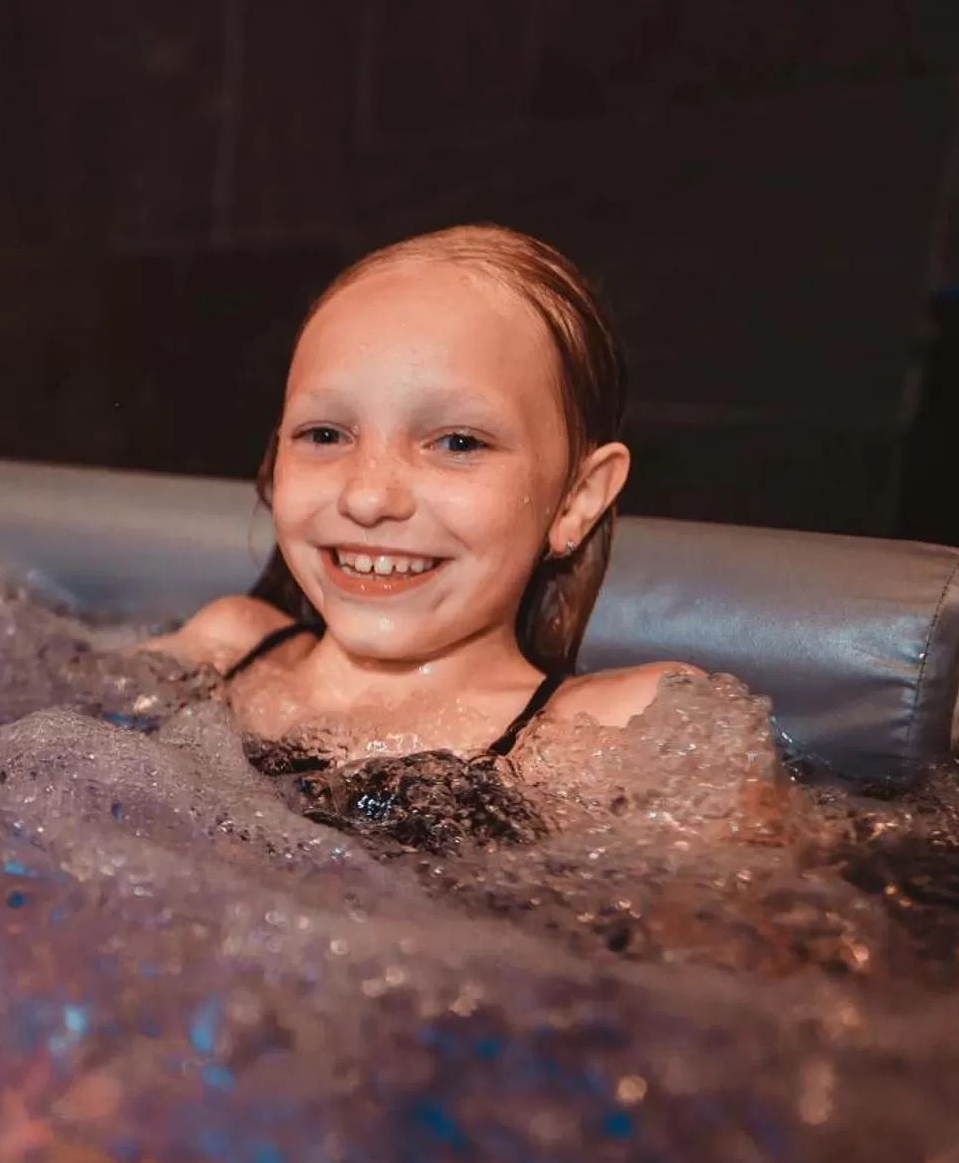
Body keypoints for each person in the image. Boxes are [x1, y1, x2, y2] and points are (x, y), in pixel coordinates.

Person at [149, 225, 699, 839]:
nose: (367, 496)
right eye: (325, 434)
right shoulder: (223, 651)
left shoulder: (624, 732)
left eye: (458, 442)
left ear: (577, 499)